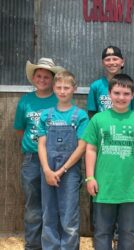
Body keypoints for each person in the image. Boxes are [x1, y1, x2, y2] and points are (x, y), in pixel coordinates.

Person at [83, 74, 134, 250]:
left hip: (130, 187)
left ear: (132, 95)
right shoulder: (98, 120)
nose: (121, 97)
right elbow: (90, 149)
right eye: (117, 93)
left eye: (125, 93)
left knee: (128, 231)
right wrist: (90, 177)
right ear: (109, 94)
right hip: (103, 186)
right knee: (102, 231)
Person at [14, 57, 64, 249]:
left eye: (46, 76)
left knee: (54, 205)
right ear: (33, 78)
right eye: (39, 76)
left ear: (53, 80)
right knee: (33, 205)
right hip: (32, 159)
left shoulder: (59, 99)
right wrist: (33, 145)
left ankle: (53, 244)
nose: (42, 79)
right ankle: (33, 245)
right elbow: (20, 129)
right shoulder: (25, 101)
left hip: (56, 159)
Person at [37, 70, 89, 249]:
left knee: (69, 216)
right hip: (48, 171)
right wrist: (46, 170)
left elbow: (82, 147)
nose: (62, 91)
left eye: (66, 87)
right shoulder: (46, 115)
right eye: (58, 87)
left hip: (69, 171)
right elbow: (42, 145)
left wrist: (61, 170)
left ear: (74, 89)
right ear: (54, 88)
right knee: (49, 214)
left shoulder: (80, 116)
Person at [87, 45, 134, 117]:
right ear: (103, 63)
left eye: (115, 59)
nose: (111, 62)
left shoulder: (132, 86)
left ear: (122, 62)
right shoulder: (95, 86)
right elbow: (91, 113)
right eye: (108, 60)